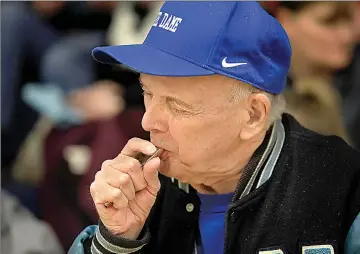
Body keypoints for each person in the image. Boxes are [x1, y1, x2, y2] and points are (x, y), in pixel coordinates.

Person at [69, 2, 360, 254]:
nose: (148, 121)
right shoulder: (139, 194)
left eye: (177, 105)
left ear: (253, 115)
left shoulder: (343, 187)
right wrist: (115, 241)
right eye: (148, 93)